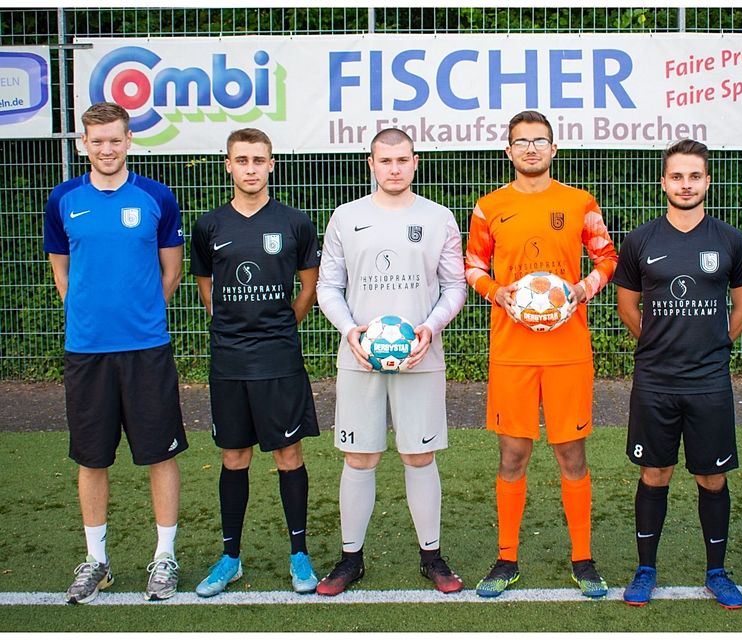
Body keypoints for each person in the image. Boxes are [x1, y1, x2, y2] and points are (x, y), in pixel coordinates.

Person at [464, 110, 618, 599]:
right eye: (521, 142)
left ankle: (583, 558)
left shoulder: (579, 202)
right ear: (508, 151)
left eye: (540, 141)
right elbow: (471, 265)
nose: (531, 148)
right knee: (513, 453)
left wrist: (584, 288)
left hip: (568, 351)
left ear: (554, 149)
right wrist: (497, 292)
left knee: (571, 452)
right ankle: (506, 558)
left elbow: (607, 256)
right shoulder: (489, 207)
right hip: (512, 351)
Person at [43, 102, 187, 603]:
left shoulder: (156, 197)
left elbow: (171, 270)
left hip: (147, 348)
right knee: (92, 457)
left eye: (115, 140)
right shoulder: (63, 199)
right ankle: (96, 560)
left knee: (160, 454)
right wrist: (91, 314)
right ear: (83, 143)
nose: (106, 149)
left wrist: (141, 310)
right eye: (96, 141)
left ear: (129, 141)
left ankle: (165, 557)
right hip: (86, 351)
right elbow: (62, 273)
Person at [315, 127, 467, 595]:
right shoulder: (345, 216)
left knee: (419, 454)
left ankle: (432, 558)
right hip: (360, 357)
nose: (395, 168)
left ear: (415, 162)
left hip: (420, 355)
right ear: (371, 164)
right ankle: (349, 560)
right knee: (359, 457)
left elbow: (455, 286)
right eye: (386, 161)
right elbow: (327, 287)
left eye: (403, 160)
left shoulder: (439, 218)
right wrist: (350, 330)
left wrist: (430, 327)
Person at [612, 139, 742, 609]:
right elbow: (627, 307)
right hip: (655, 380)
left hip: (709, 381)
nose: (686, 184)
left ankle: (716, 571)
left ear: (707, 182)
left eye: (695, 176)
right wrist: (658, 341)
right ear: (664, 182)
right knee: (655, 472)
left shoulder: (731, 240)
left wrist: (714, 344)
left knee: (711, 478)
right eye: (677, 176)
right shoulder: (640, 240)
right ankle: (645, 569)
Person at [190, 128, 321, 597]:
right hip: (229, 360)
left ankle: (299, 555)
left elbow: (308, 286)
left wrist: (281, 325)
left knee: (289, 455)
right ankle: (230, 558)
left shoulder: (295, 223)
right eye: (241, 160)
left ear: (271, 165)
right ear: (228, 164)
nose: (250, 168)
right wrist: (230, 323)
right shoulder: (209, 226)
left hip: (279, 358)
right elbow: (207, 286)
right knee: (233, 456)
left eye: (258, 160)